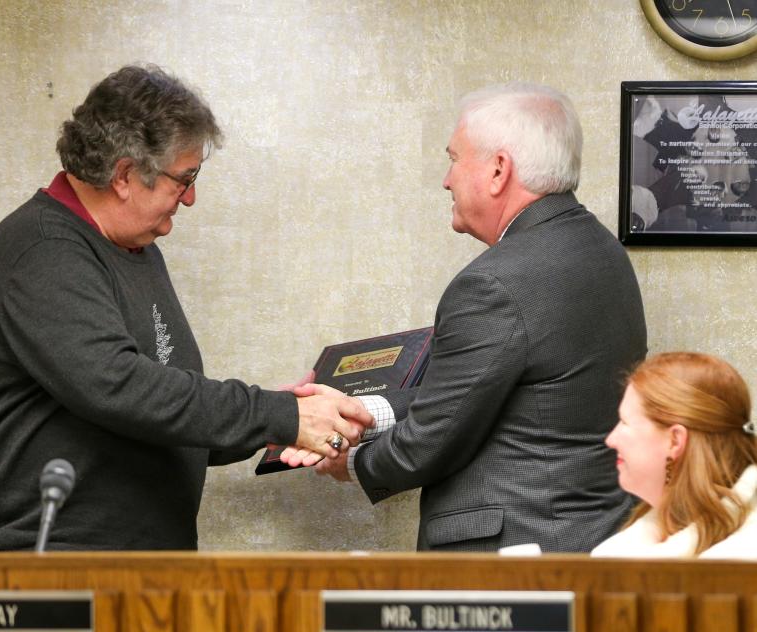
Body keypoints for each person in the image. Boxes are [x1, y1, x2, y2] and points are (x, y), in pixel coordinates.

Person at [0, 65, 371, 551]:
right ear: (123, 176)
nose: (192, 197)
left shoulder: (136, 251)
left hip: (133, 570)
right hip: (37, 567)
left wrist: (272, 420)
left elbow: (160, 412)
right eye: (185, 179)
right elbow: (118, 386)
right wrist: (277, 414)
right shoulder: (42, 249)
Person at [285, 82, 647, 552]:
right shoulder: (602, 250)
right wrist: (364, 412)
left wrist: (348, 460)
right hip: (589, 535)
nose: (445, 179)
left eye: (454, 158)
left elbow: (431, 440)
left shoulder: (494, 283)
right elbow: (480, 398)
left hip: (512, 559)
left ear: (498, 170)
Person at [593, 352, 757, 558]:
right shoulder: (622, 551)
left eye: (625, 422)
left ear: (675, 441)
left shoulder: (743, 564)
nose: (611, 439)